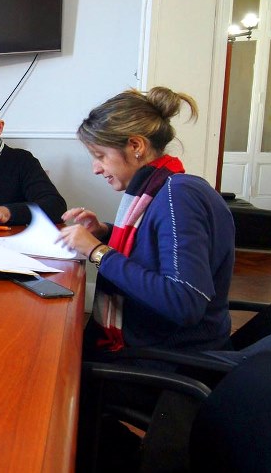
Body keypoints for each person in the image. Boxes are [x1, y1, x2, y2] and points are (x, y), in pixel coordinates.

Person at [58, 87, 235, 357]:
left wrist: (97, 251)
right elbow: (155, 249)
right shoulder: (162, 189)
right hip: (157, 343)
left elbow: (184, 302)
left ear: (136, 146)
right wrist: (105, 233)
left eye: (100, 156)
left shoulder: (179, 197)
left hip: (168, 356)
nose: (95, 168)